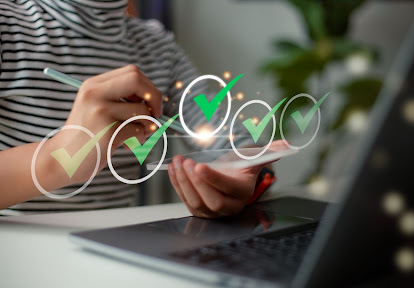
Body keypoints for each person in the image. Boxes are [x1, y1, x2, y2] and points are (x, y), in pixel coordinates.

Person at [0, 0, 275, 217]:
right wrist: (57, 158)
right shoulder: (8, 25)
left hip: (115, 254)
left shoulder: (158, 47)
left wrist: (244, 172)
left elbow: (232, 139)